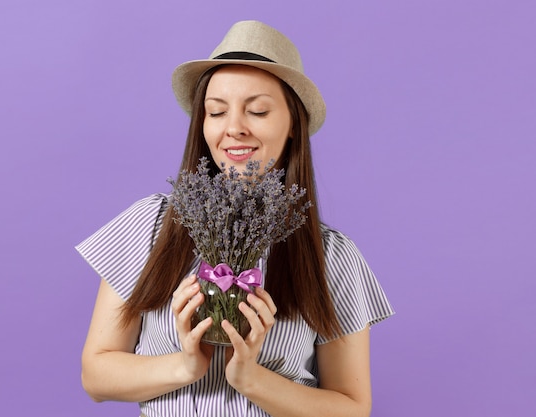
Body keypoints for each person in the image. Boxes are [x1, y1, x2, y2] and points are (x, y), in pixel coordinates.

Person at [76, 20, 394, 417]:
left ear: (294, 122)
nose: (234, 129)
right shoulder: (150, 225)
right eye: (216, 111)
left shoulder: (330, 257)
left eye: (257, 110)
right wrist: (186, 365)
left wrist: (252, 379)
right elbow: (96, 374)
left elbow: (351, 408)